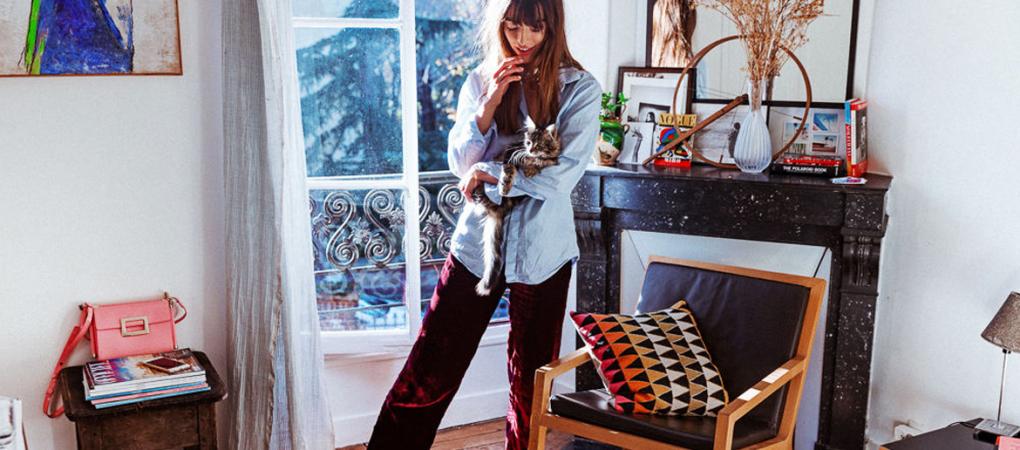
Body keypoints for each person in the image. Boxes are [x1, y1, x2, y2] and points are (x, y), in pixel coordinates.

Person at [366, 0, 601, 449]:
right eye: (512, 27)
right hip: (477, 247)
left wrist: (491, 171)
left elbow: (560, 176)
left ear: (552, 27)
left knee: (530, 385)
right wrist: (489, 103)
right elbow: (460, 162)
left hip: (544, 252)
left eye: (534, 28)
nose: (522, 39)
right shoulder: (480, 80)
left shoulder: (580, 90)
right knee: (431, 367)